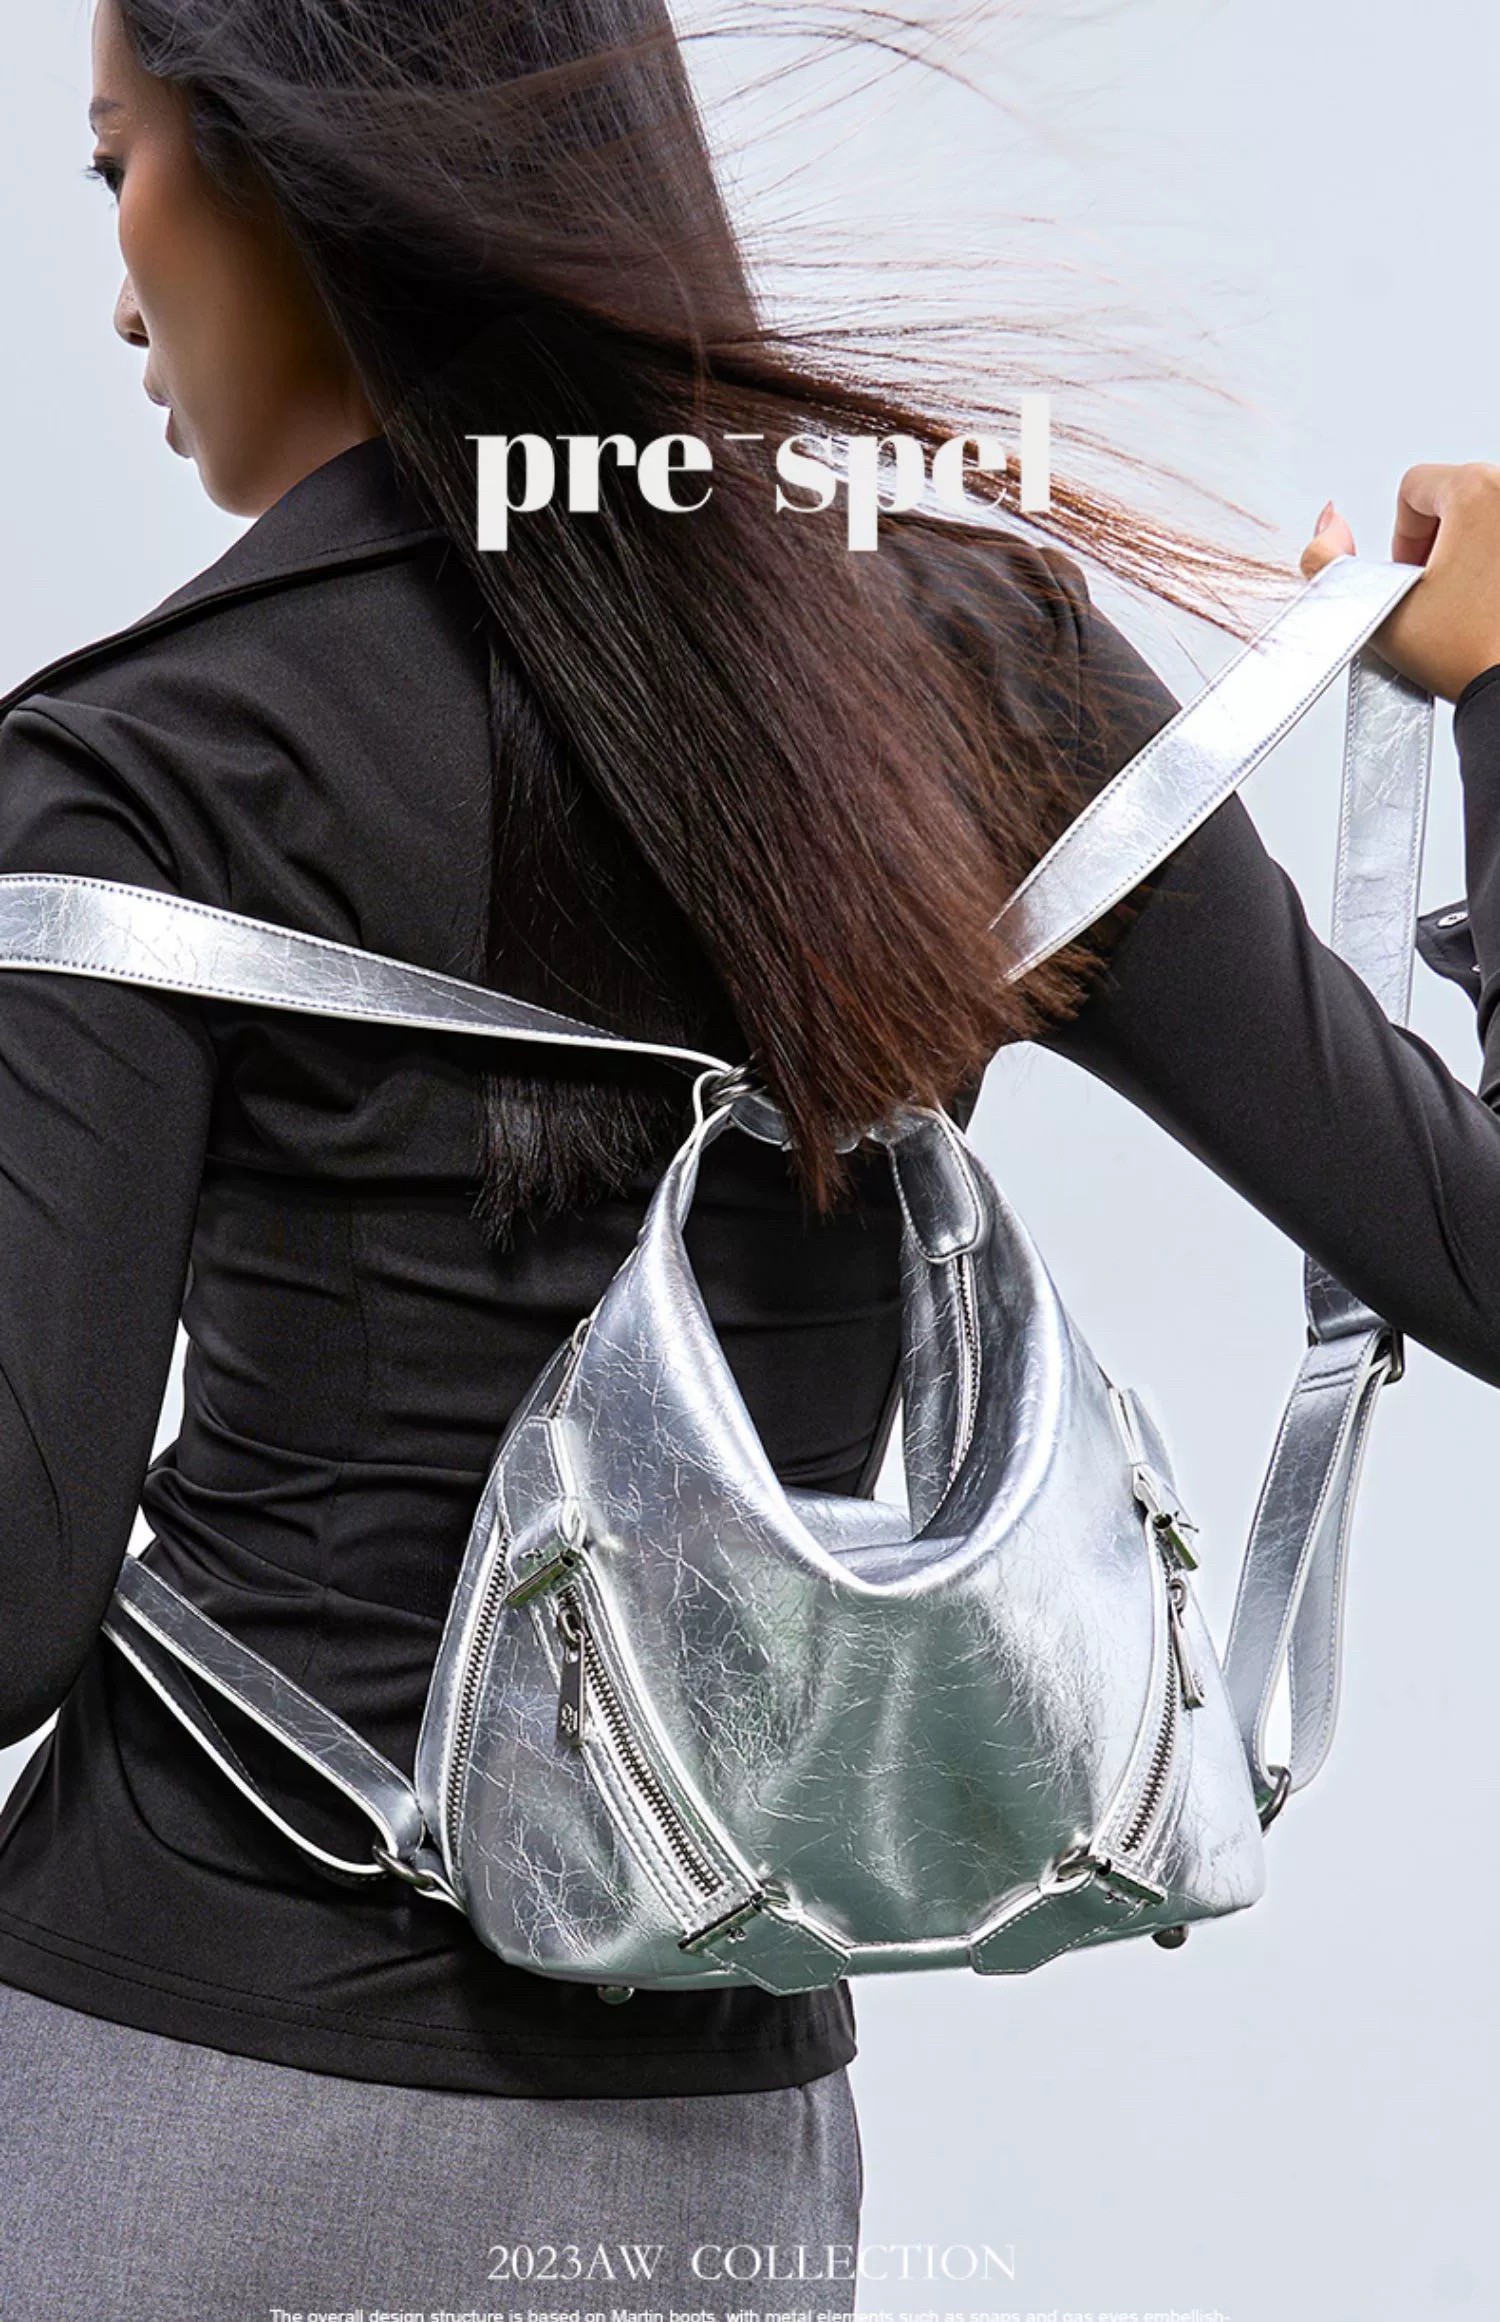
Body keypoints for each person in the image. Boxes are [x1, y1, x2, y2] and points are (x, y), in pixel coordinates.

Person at [3, 0, 1500, 2316]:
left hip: (187, 2112)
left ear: (283, 161)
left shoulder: (147, 766)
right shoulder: (970, 672)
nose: (117, 286)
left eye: (117, 168)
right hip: (722, 2170)